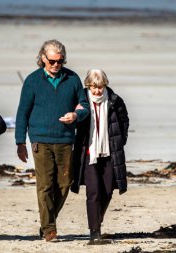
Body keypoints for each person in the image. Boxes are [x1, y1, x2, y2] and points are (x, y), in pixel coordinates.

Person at [15, 39, 90, 242]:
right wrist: (19, 141)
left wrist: (76, 116)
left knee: (65, 184)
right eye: (52, 61)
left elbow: (84, 105)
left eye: (61, 61)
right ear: (43, 59)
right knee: (45, 185)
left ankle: (47, 221)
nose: (57, 65)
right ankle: (49, 229)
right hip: (41, 140)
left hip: (65, 139)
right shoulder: (32, 80)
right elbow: (22, 112)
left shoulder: (73, 79)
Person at [71, 69, 129, 242]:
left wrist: (120, 141)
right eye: (94, 87)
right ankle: (94, 232)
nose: (97, 91)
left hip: (109, 152)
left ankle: (97, 220)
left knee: (108, 190)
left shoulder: (115, 101)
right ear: (88, 85)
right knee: (93, 191)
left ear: (105, 85)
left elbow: (124, 121)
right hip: (88, 153)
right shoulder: (80, 101)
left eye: (100, 87)